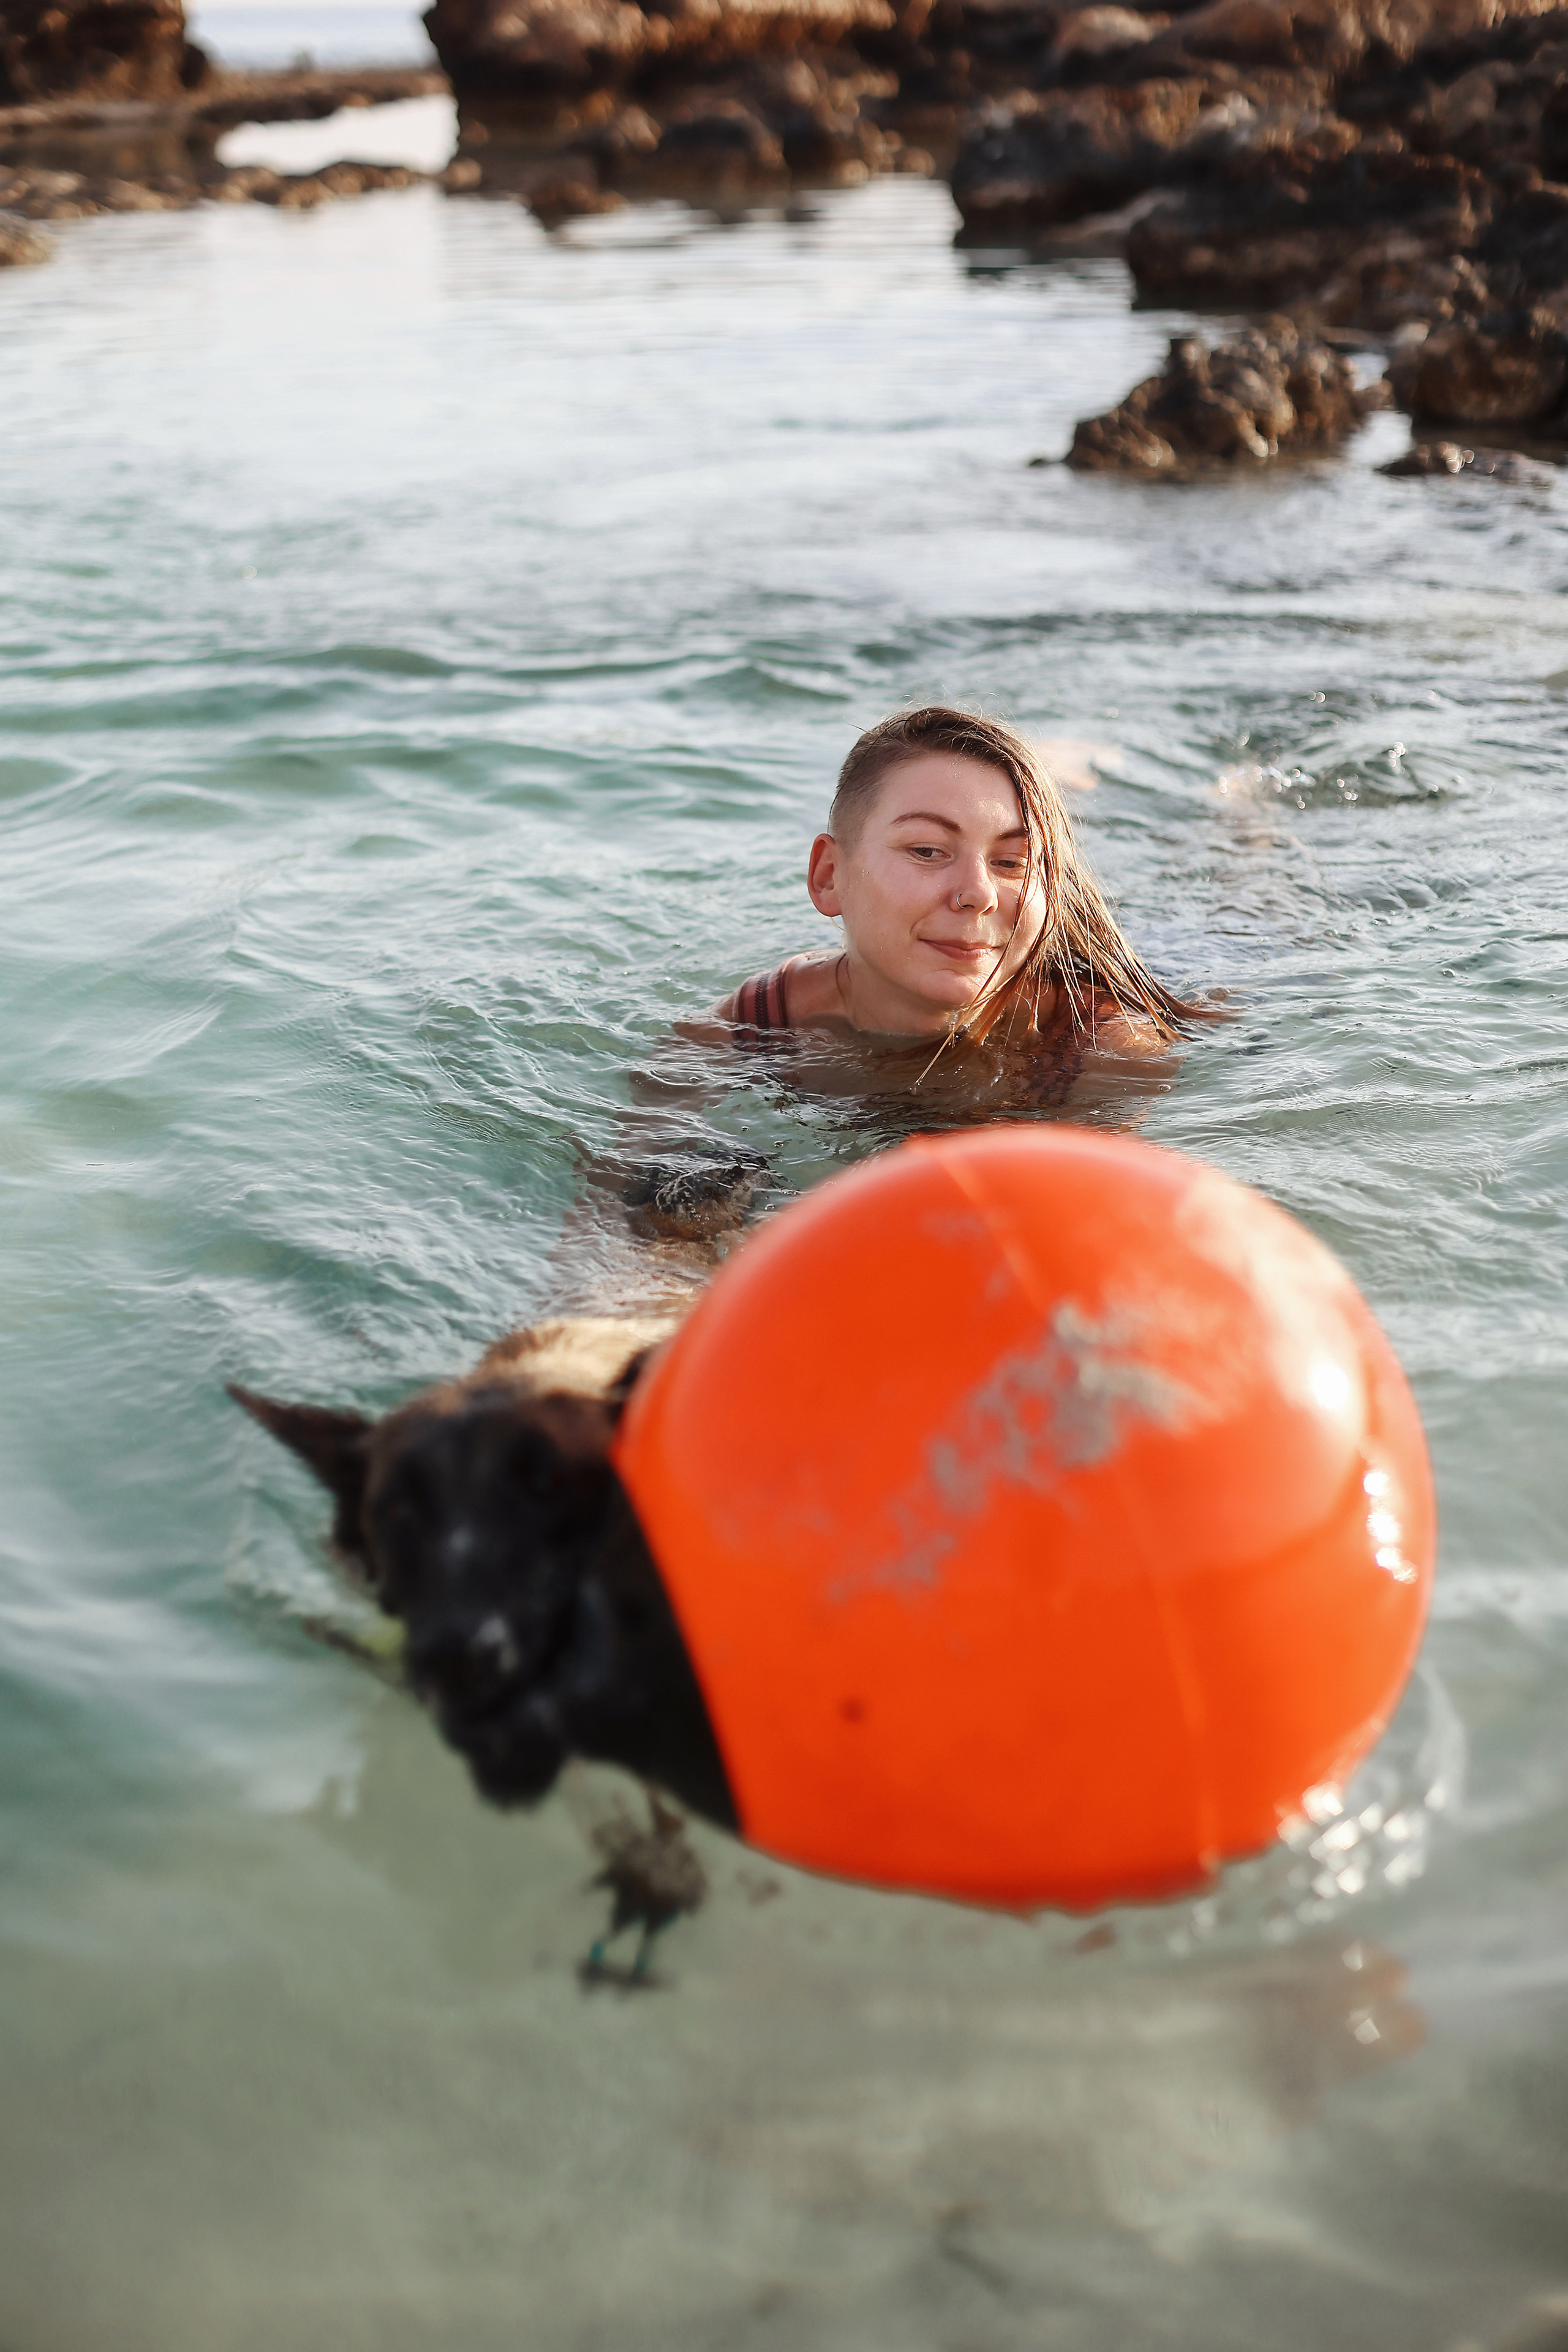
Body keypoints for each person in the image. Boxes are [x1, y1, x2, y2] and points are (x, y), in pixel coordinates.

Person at [711, 705, 1207, 1077]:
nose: (978, 893)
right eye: (927, 851)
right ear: (829, 876)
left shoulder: (1107, 1050)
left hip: (1189, 950)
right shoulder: (756, 1024)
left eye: (1013, 862)